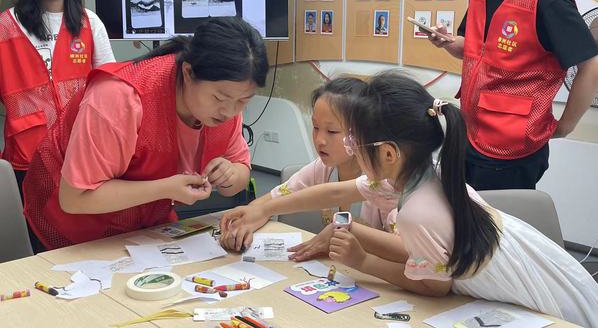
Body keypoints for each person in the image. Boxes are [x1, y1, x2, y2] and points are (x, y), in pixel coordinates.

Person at [222, 71, 598, 328]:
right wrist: (262, 207)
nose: (349, 149)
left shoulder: (416, 212)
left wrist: (362, 260)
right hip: (529, 270)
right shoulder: (413, 174)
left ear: (387, 153)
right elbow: (335, 191)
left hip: (533, 297)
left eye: (354, 141)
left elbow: (435, 287)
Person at [23, 17, 269, 251]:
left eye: (243, 101)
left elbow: (240, 170)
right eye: (219, 98)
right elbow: (75, 198)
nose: (229, 111)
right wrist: (165, 189)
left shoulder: (227, 103)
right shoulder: (119, 97)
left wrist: (229, 175)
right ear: (187, 73)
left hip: (144, 230)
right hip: (73, 230)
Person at [427, 0, 598, 190]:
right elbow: (474, 51)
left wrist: (566, 125)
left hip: (512, 147)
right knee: (464, 213)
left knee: (503, 219)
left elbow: (590, 65)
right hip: (470, 133)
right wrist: (447, 41)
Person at [220, 77, 400, 253]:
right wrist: (247, 221)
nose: (320, 140)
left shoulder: (384, 184)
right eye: (315, 127)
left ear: (363, 133)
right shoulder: (322, 169)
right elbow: (275, 199)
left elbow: (403, 253)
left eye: (332, 131)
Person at [0, 0, 115, 196]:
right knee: (32, 217)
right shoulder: (6, 26)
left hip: (81, 145)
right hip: (28, 151)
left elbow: (109, 84)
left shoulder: (88, 21)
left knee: (79, 215)